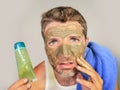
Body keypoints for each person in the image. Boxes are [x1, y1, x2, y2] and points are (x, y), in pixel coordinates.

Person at [8, 6, 119, 90]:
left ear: (86, 43)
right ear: (45, 46)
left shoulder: (104, 69)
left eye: (74, 40)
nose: (65, 54)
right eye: (53, 42)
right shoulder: (35, 83)